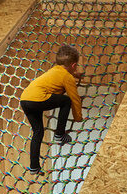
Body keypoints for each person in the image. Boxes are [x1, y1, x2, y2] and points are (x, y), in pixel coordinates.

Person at [20, 45, 84, 175]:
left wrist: (75, 75)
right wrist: (78, 117)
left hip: (25, 99)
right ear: (73, 65)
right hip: (38, 99)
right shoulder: (67, 77)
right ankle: (59, 134)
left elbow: (62, 75)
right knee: (66, 101)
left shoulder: (55, 70)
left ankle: (34, 167)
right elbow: (75, 99)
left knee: (38, 132)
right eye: (76, 66)